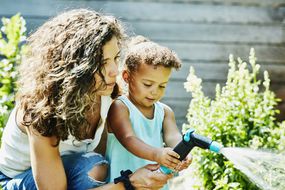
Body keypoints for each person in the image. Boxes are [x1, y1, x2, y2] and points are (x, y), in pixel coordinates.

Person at [0, 9, 172, 190]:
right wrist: (130, 183)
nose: (114, 70)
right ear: (76, 66)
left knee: (99, 166)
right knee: (93, 169)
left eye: (115, 58)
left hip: (71, 173)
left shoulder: (108, 95)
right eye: (103, 62)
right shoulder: (40, 111)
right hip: (14, 182)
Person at [106, 36, 192, 188]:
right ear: (127, 77)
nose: (154, 92)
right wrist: (157, 154)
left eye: (162, 86)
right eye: (147, 84)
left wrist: (182, 152)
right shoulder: (120, 107)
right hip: (125, 185)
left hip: (154, 183)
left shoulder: (164, 112)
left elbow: (173, 136)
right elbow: (128, 138)